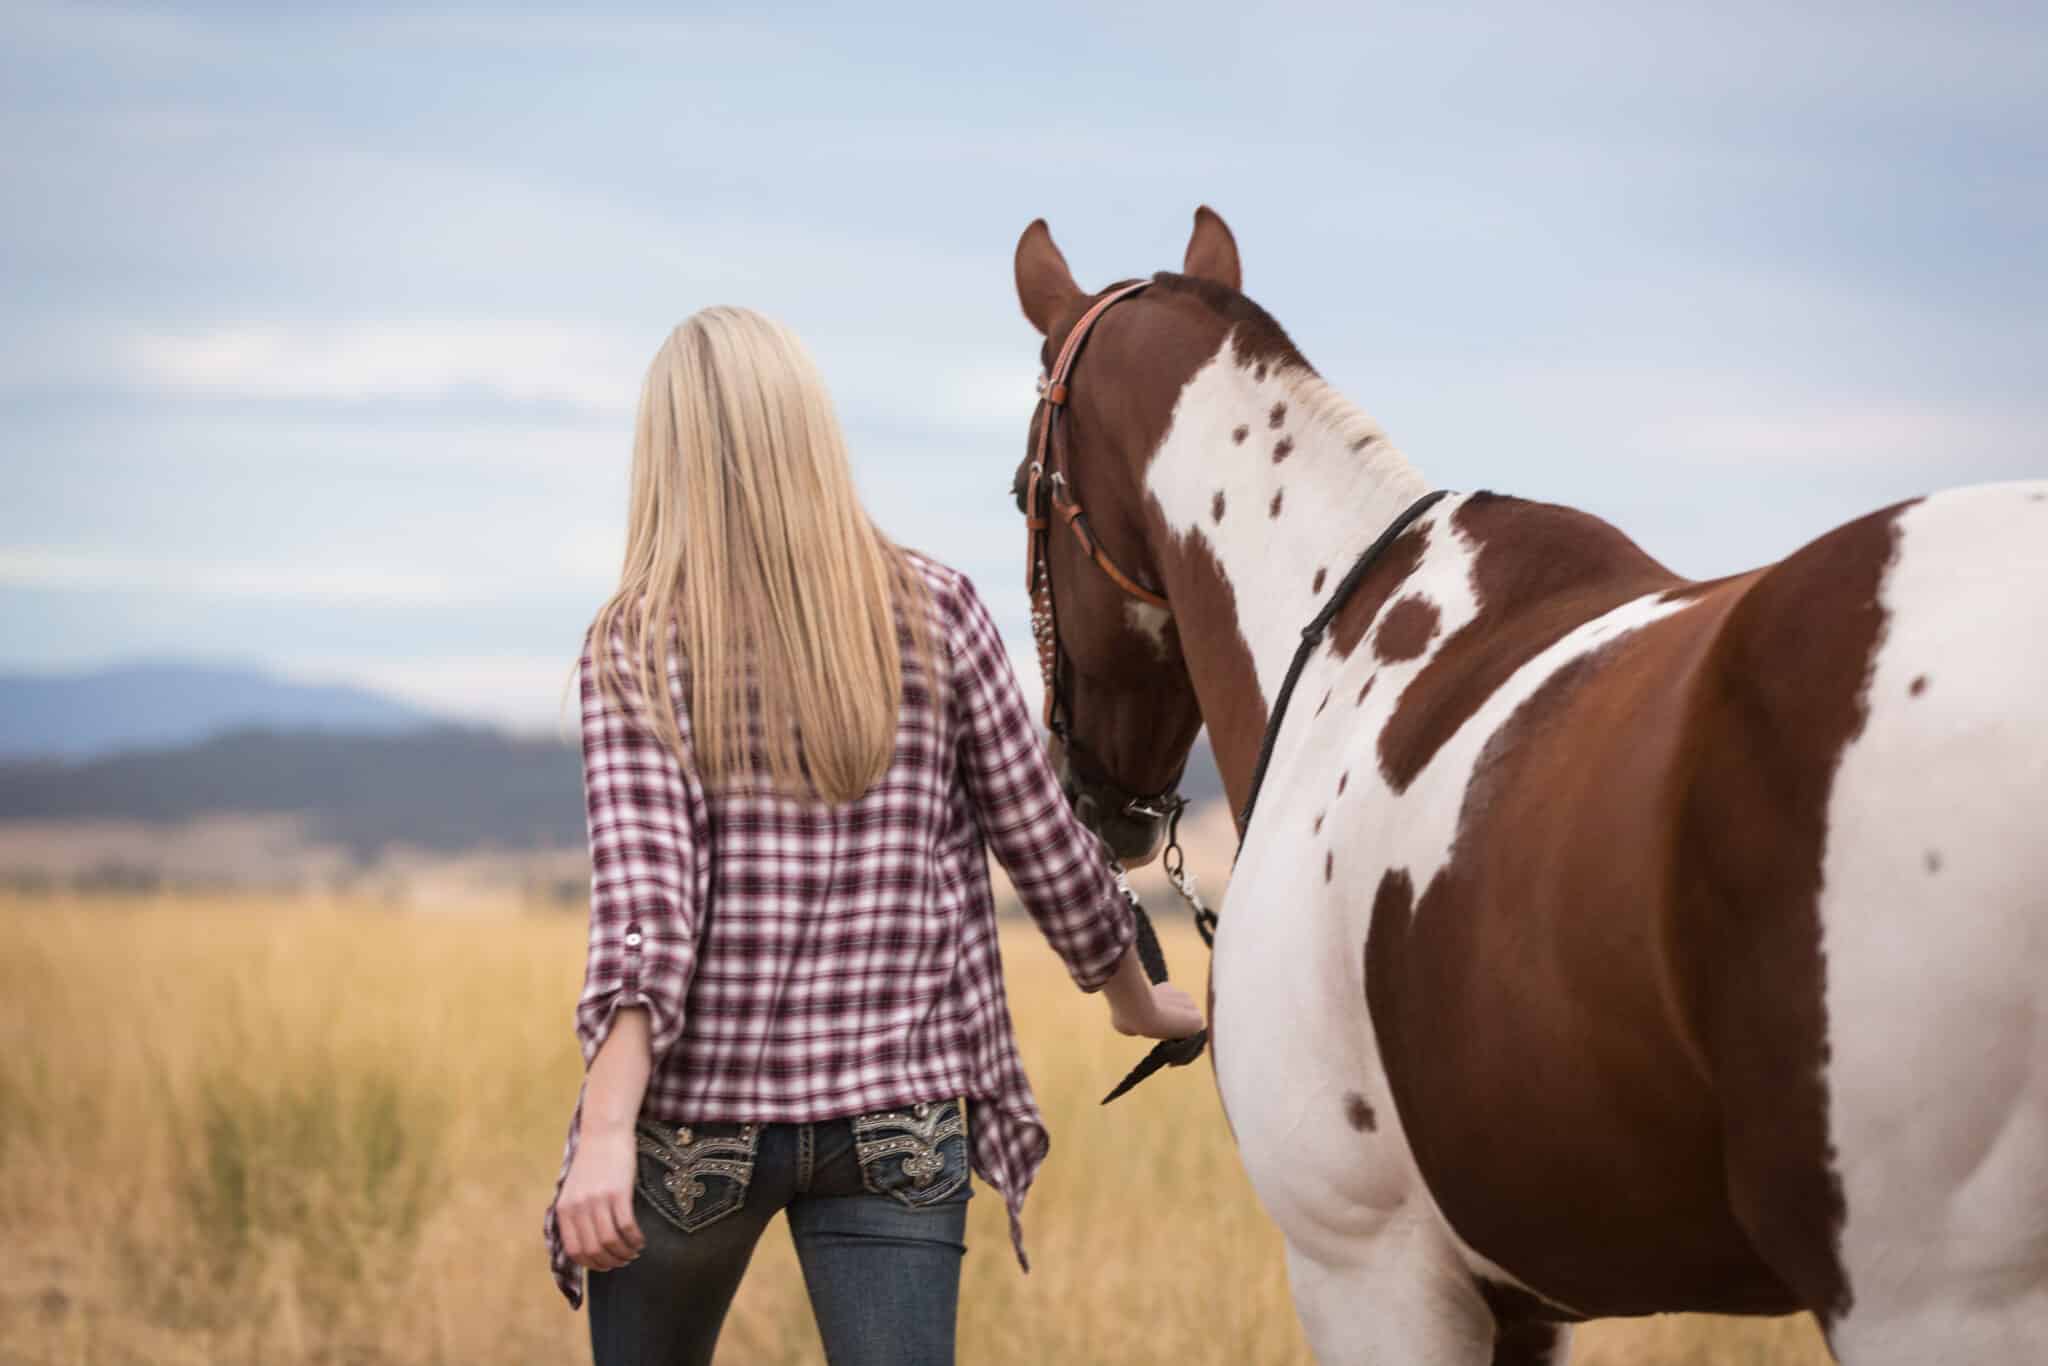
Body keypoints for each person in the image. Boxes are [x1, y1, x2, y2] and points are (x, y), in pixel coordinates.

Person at [542, 306, 1205, 1366]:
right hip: (897, 1122)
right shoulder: (937, 609)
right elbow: (1039, 835)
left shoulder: (633, 642)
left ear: (662, 455)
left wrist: (609, 1131)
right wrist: (1135, 997)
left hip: (694, 1128)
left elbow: (645, 914)